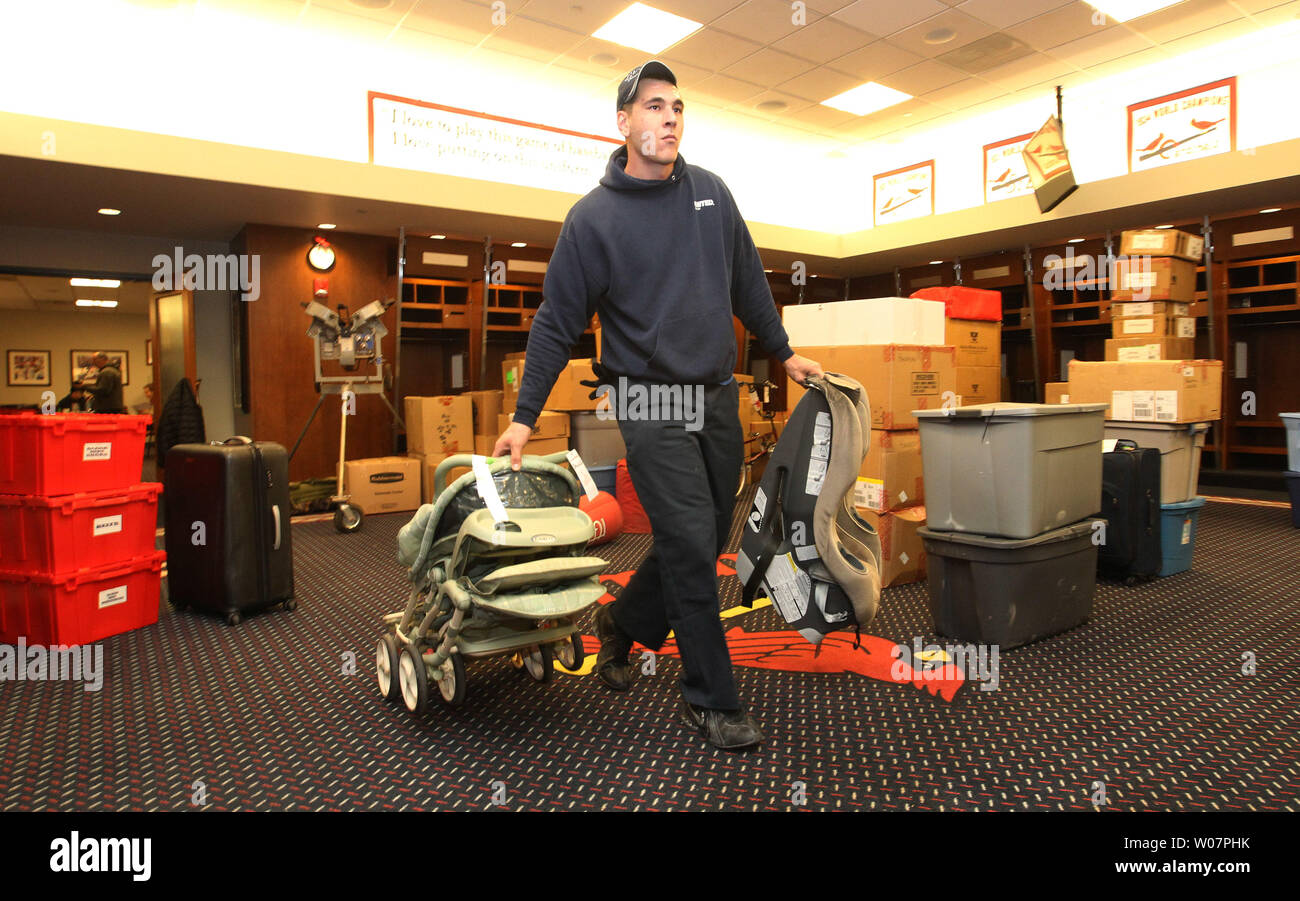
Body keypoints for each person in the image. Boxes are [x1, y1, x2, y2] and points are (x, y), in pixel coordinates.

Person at [493, 60, 822, 751]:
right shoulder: (593, 219)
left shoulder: (711, 194)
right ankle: (711, 697)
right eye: (653, 106)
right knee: (691, 546)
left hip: (717, 395)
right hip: (648, 399)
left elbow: (747, 279)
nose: (669, 117)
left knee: (703, 535)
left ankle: (623, 622)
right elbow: (555, 322)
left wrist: (783, 350)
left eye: (676, 106)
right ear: (623, 123)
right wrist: (524, 417)